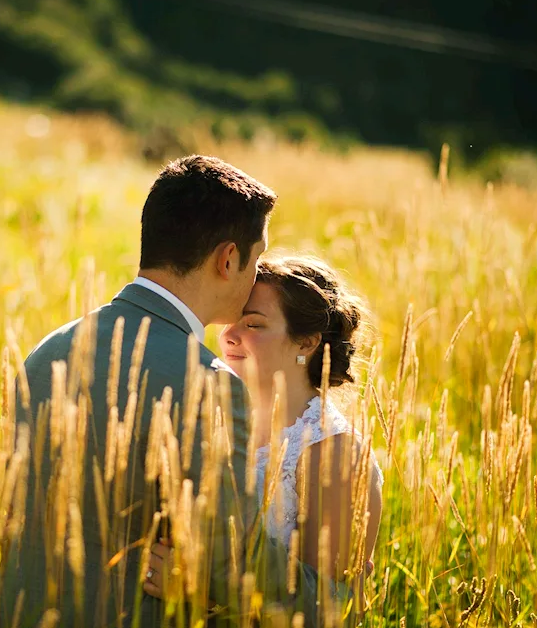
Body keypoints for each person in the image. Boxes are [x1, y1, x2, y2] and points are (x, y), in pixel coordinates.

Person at [0, 156, 327, 628]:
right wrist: (329, 597)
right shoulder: (206, 384)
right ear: (228, 259)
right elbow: (230, 561)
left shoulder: (49, 351)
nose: (255, 277)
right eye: (255, 259)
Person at [143, 255, 384, 616]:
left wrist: (200, 596)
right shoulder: (208, 423)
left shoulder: (335, 455)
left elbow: (328, 611)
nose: (228, 336)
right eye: (230, 321)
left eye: (253, 325)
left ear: (306, 343)